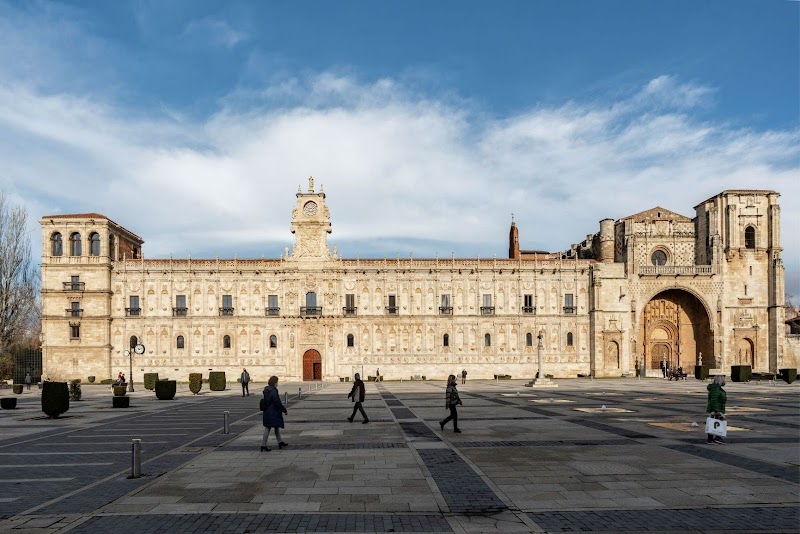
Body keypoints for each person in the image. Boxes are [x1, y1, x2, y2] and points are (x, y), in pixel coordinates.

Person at [261, 376, 288, 451]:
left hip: (268, 411)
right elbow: (277, 402)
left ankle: (280, 442)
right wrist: (284, 410)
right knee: (268, 428)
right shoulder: (273, 390)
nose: (277, 383)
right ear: (275, 382)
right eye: (277, 382)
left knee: (276, 427)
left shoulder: (267, 389)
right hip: (273, 411)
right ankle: (263, 444)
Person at [706, 375, 727, 444]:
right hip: (716, 409)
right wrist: (716, 411)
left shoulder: (716, 389)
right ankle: (717, 438)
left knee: (712, 423)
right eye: (723, 380)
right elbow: (714, 400)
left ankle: (711, 439)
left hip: (717, 408)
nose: (725, 381)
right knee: (717, 423)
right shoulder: (716, 389)